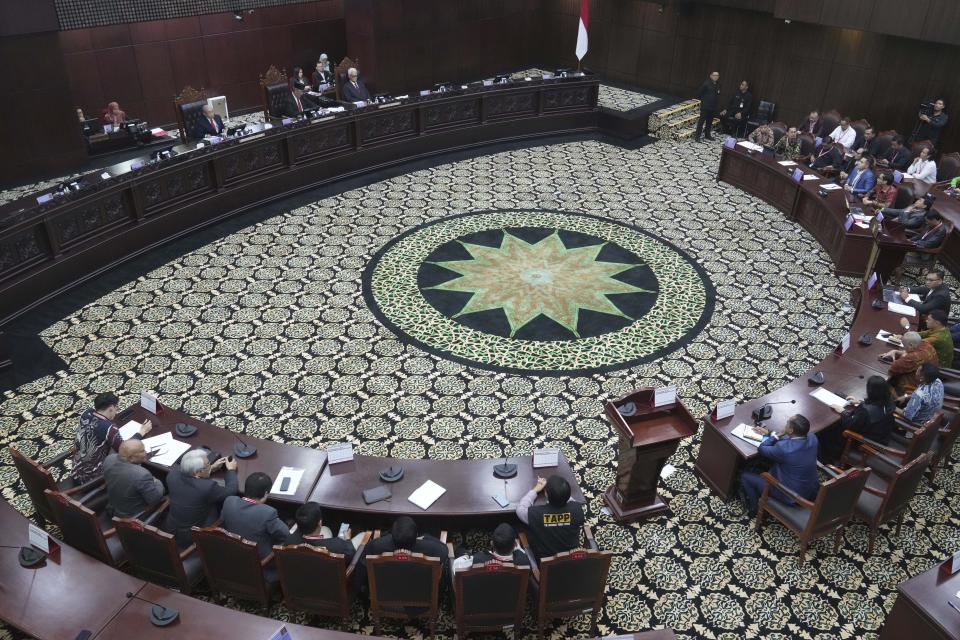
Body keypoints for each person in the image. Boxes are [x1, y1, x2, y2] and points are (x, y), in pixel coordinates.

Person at [738, 414, 818, 517]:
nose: (785, 424)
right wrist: (771, 433)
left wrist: (776, 435)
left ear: (791, 430)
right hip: (810, 490)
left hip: (790, 495)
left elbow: (762, 448)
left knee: (745, 476)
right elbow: (792, 441)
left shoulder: (784, 449)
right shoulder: (813, 438)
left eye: (787, 423)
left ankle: (754, 509)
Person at [164, 448, 238, 547]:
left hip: (170, 528)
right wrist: (231, 470)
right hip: (191, 536)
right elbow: (231, 491)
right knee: (220, 507)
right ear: (198, 472)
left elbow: (192, 478)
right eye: (207, 464)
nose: (210, 464)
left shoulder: (172, 475)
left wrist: (210, 468)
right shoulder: (207, 488)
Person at [73, 392, 152, 484]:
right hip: (92, 478)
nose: (116, 411)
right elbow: (125, 449)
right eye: (116, 407)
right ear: (111, 408)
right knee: (133, 459)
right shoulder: (109, 428)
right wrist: (141, 432)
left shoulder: (86, 414)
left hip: (76, 470)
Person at [220, 472, 290, 560]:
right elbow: (286, 534)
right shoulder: (268, 513)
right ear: (266, 493)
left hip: (232, 552)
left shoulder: (229, 501)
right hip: (260, 560)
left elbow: (223, 522)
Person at [516, 474, 585, 558]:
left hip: (546, 559)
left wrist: (535, 490)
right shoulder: (577, 509)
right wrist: (561, 492)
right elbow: (571, 501)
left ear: (546, 494)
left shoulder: (536, 514)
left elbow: (520, 509)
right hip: (571, 557)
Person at [103, 440, 166, 518]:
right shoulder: (142, 475)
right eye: (142, 451)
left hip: (113, 507)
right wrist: (157, 481)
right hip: (131, 517)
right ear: (131, 458)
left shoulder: (109, 459)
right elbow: (155, 500)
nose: (146, 453)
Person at [828, 375, 897, 447]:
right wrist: (860, 402)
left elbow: (851, 425)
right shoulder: (889, 401)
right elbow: (876, 407)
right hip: (882, 436)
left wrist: (842, 411)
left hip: (867, 442)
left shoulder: (865, 410)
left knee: (830, 431)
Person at [286, 502, 357, 562]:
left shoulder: (288, 541)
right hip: (327, 575)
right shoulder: (337, 546)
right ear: (320, 523)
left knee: (326, 529)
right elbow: (351, 555)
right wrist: (348, 540)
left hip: (302, 573)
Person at [451, 523, 529, 573]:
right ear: (515, 544)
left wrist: (466, 556)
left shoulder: (479, 560)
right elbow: (519, 549)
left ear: (491, 544)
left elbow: (456, 569)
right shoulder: (524, 562)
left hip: (481, 597)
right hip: (511, 597)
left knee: (460, 551)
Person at [693, 71, 720, 143]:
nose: (716, 77)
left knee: (709, 122)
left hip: (713, 107)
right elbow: (699, 93)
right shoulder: (706, 84)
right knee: (701, 122)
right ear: (711, 76)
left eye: (717, 75)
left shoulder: (717, 84)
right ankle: (697, 137)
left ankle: (707, 135)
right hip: (705, 106)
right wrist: (704, 100)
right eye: (714, 75)